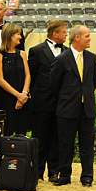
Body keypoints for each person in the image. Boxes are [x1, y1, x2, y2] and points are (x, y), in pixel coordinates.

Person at [51, 25, 96, 187]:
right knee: (65, 143)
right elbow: (54, 86)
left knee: (87, 144)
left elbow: (93, 83)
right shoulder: (61, 60)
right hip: (67, 110)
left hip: (87, 110)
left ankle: (87, 176)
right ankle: (64, 175)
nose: (89, 38)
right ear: (77, 38)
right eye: (87, 36)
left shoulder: (92, 58)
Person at [28, 19, 68, 182]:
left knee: (56, 138)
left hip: (61, 103)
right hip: (42, 102)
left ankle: (54, 171)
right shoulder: (36, 50)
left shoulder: (67, 51)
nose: (66, 34)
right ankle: (37, 172)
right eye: (64, 32)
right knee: (40, 137)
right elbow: (31, 76)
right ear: (55, 33)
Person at [0, 23, 31, 136]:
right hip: (6, 99)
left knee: (22, 133)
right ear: (9, 35)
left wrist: (23, 94)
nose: (20, 37)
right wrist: (17, 96)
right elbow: (0, 80)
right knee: (6, 133)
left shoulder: (22, 54)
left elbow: (28, 75)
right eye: (18, 34)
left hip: (23, 99)